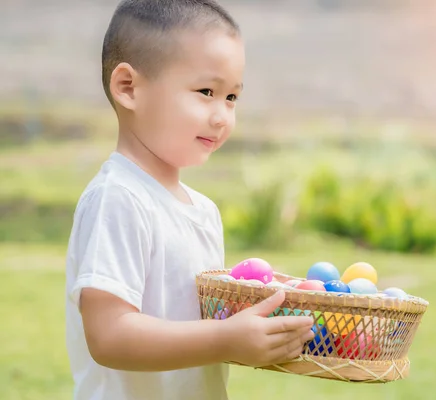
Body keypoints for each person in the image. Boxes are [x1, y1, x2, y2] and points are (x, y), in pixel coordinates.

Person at [64, 1, 315, 399]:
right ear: (128, 88)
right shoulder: (118, 198)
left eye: (232, 97)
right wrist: (225, 338)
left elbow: (187, 315)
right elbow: (109, 335)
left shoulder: (202, 210)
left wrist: (269, 301)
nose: (222, 116)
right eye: (206, 92)